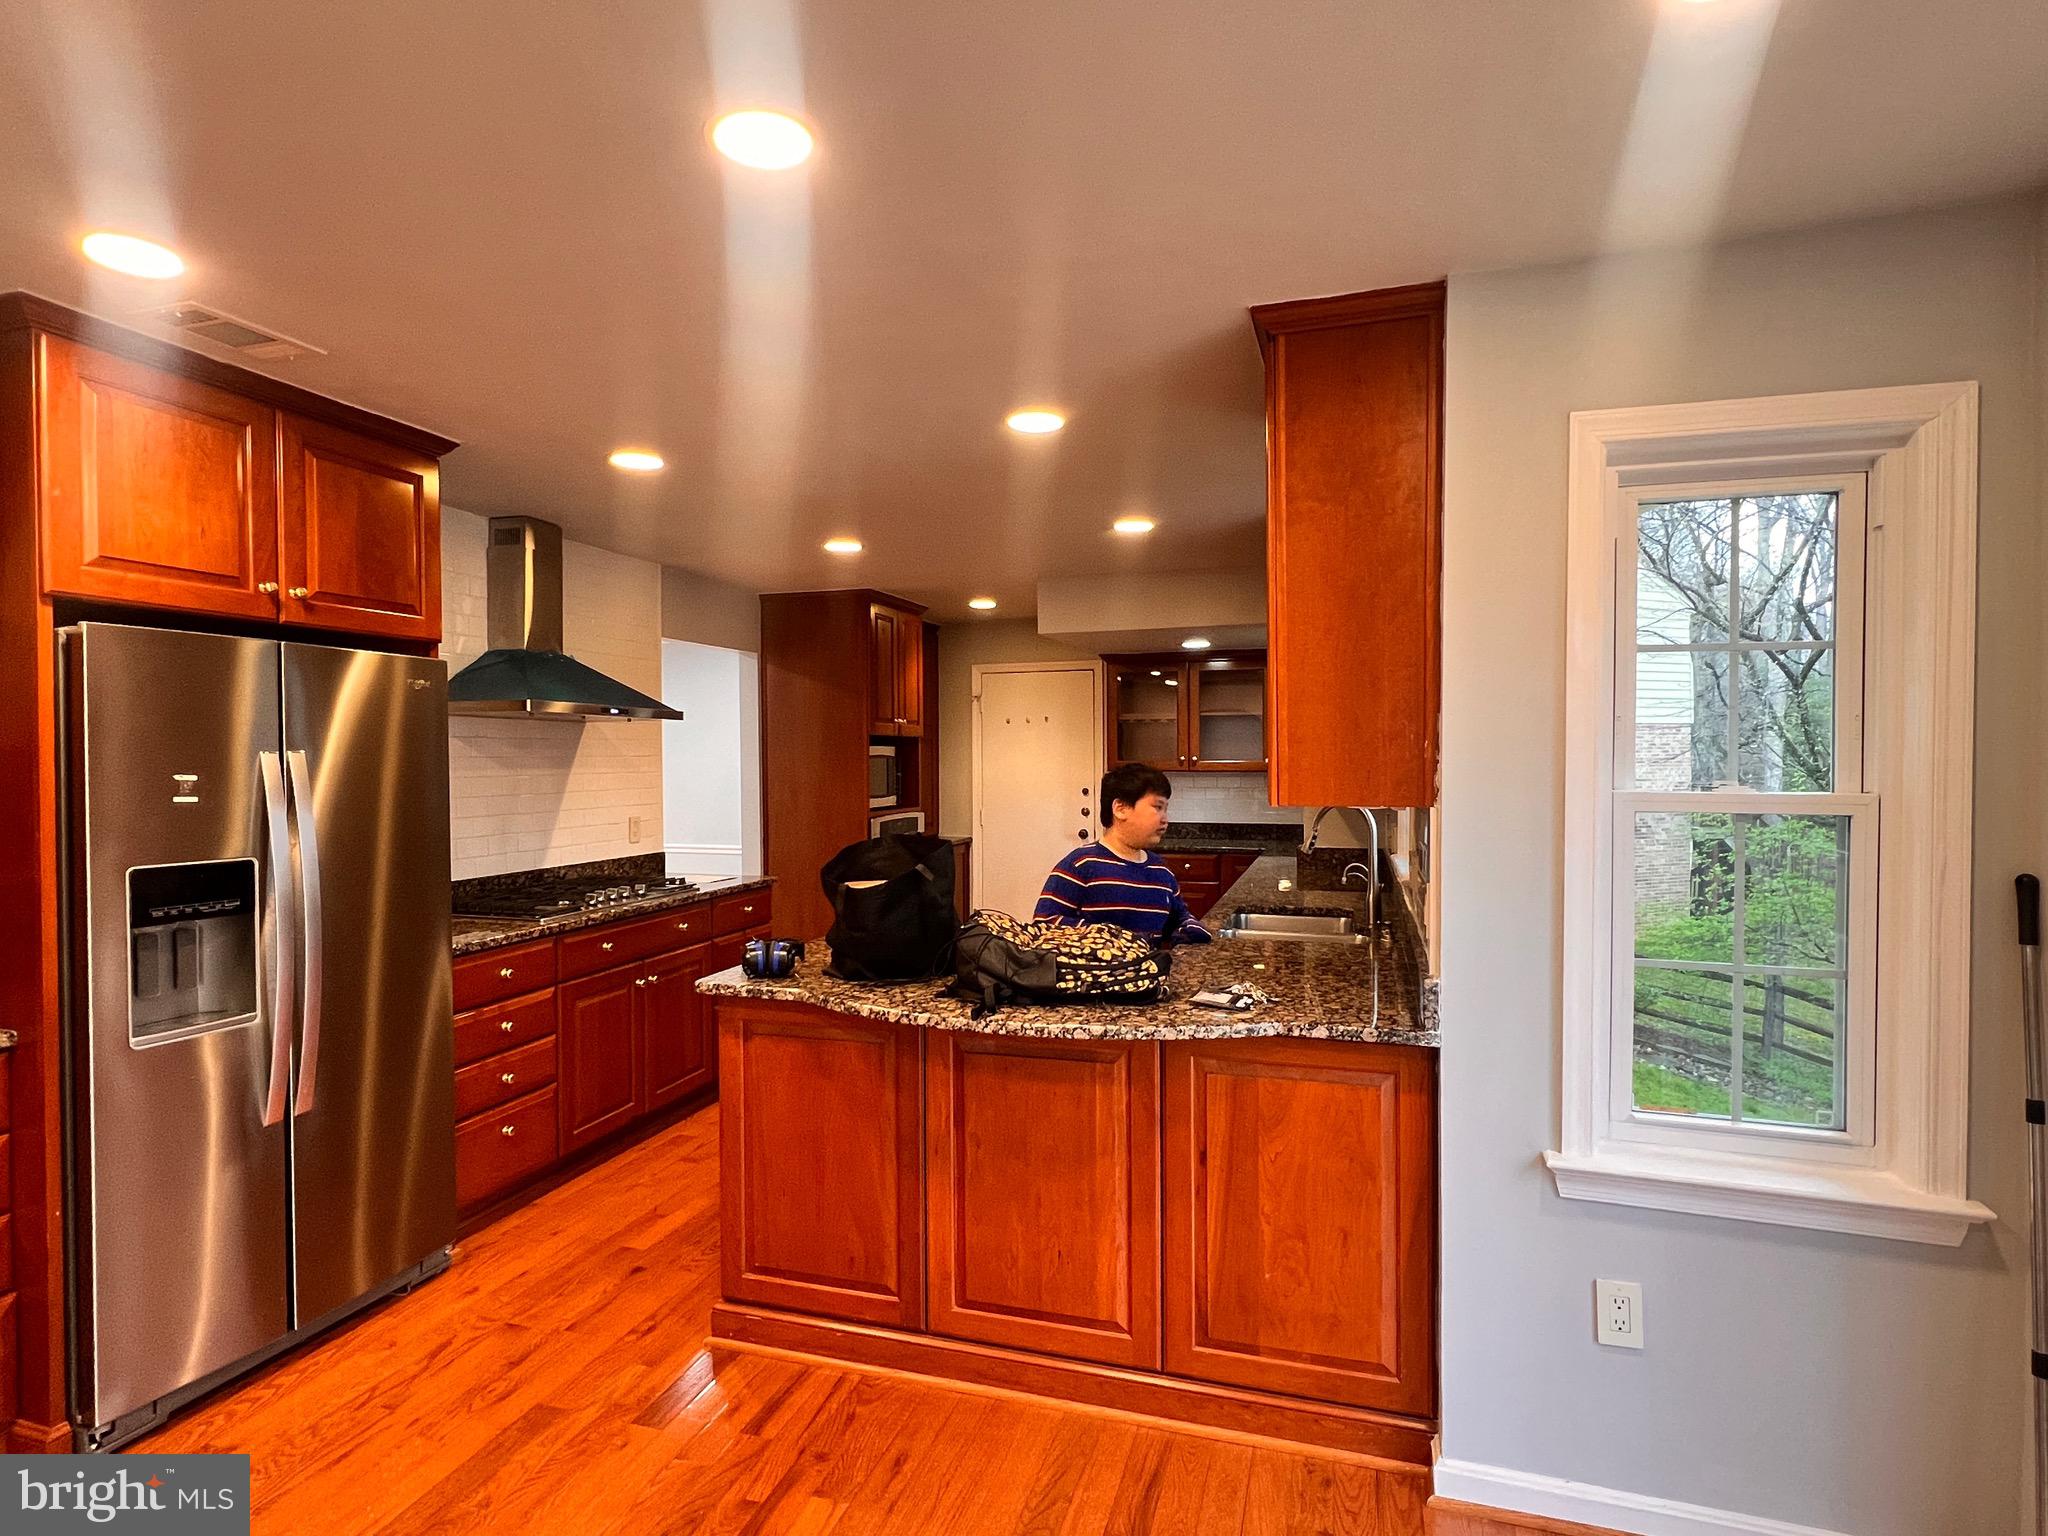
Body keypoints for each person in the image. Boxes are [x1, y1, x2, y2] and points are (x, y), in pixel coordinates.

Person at [1033, 764, 1212, 943]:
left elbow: (1178, 917)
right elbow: (1044, 923)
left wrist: (1189, 926)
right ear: (1121, 809)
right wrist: (1112, 938)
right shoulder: (1081, 864)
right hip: (1095, 970)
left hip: (1150, 969)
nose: (1165, 819)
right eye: (1158, 807)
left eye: (1166, 809)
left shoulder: (1160, 870)